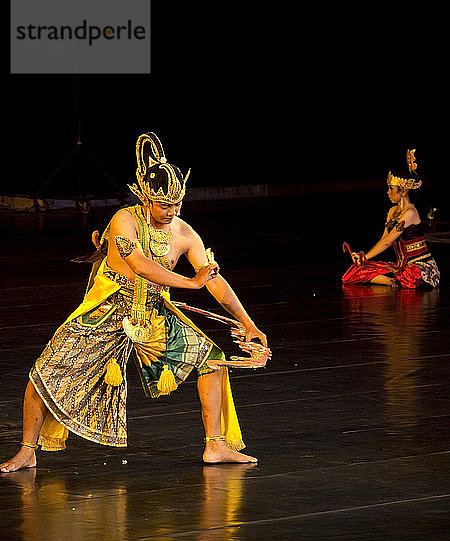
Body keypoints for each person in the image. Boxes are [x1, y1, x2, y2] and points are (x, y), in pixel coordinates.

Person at [0, 132, 267, 473]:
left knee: (211, 360)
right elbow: (141, 264)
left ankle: (215, 446)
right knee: (44, 374)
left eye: (177, 203)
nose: (171, 211)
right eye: (164, 204)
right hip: (109, 309)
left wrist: (248, 323)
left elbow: (213, 279)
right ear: (144, 197)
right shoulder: (124, 221)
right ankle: (27, 450)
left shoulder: (185, 233)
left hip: (153, 313)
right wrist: (190, 282)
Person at [342, 149, 440, 289]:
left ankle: (396, 279)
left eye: (391, 188)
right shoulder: (393, 211)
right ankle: (390, 282)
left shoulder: (410, 213)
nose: (388, 192)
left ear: (403, 191)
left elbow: (388, 242)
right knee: (354, 271)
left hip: (420, 265)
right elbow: (384, 239)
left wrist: (366, 257)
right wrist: (363, 259)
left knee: (407, 274)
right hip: (400, 265)